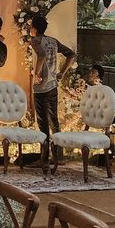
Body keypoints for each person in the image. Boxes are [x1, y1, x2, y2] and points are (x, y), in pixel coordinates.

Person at [28, 12, 75, 148]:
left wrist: (36, 74)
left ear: (35, 29)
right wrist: (61, 73)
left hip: (41, 86)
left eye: (31, 27)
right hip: (53, 85)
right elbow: (71, 55)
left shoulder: (35, 40)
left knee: (42, 122)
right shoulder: (53, 41)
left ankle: (44, 158)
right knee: (53, 119)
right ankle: (57, 155)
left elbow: (41, 55)